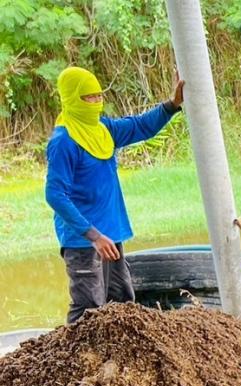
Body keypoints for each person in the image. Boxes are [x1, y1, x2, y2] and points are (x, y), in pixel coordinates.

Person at [44, 66, 184, 324]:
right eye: (89, 97)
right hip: (84, 241)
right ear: (72, 99)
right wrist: (93, 236)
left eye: (99, 95)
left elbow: (141, 126)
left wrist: (172, 104)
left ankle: (122, 352)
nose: (97, 101)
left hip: (111, 234)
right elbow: (55, 194)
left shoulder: (104, 129)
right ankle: (76, 351)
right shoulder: (63, 142)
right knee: (88, 310)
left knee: (121, 302)